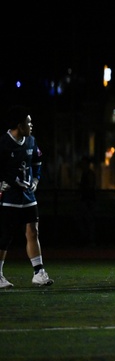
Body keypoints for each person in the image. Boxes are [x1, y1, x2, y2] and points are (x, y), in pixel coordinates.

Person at [0, 106, 52, 288]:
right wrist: (4, 182)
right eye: (28, 122)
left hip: (28, 196)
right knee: (5, 235)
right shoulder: (3, 143)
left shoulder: (31, 141)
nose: (31, 125)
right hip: (9, 197)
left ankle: (38, 272)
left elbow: (37, 162)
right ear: (19, 125)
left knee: (33, 231)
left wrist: (36, 180)